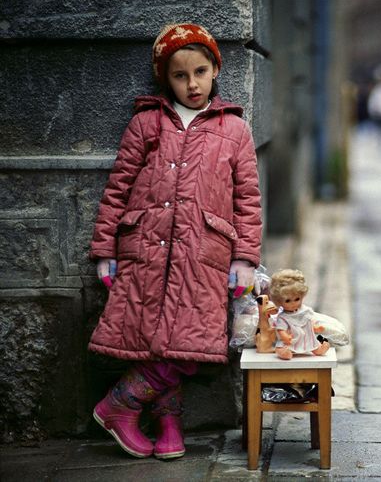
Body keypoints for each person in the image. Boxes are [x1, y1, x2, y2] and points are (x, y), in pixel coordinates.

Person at [88, 23, 262, 460]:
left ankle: (120, 404)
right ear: (165, 78)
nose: (192, 84)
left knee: (193, 344)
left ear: (215, 69)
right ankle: (168, 421)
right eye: (180, 75)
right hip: (145, 249)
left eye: (200, 71)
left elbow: (248, 199)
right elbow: (119, 186)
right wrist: (105, 248)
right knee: (154, 337)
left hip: (203, 254)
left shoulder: (235, 129)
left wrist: (244, 258)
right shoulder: (146, 122)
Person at [268, 269, 330, 360]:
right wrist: (285, 336)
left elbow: (309, 321)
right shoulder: (283, 317)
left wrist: (315, 327)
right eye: (288, 301)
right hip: (291, 340)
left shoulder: (305, 310)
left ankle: (318, 349)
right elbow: (280, 329)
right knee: (283, 347)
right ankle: (283, 353)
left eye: (297, 299)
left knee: (313, 343)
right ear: (279, 301)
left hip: (306, 337)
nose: (293, 303)